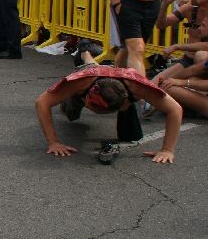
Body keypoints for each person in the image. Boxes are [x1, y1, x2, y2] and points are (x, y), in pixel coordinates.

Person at [34, 63, 182, 164]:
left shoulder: (137, 87)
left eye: (94, 106)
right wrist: (53, 142)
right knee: (71, 115)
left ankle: (125, 109)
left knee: (131, 136)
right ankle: (85, 52)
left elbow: (175, 109)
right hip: (89, 73)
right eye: (89, 102)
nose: (88, 106)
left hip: (122, 86)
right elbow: (42, 102)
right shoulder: (82, 82)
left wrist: (167, 150)